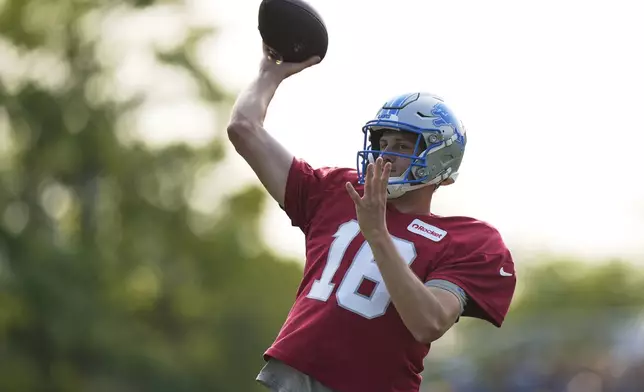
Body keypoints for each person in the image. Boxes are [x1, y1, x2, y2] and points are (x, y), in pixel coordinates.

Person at [226, 45, 517, 392]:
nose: (385, 155)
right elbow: (244, 129)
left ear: (440, 160)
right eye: (383, 142)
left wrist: (378, 234)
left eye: (403, 146)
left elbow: (429, 322)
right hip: (292, 378)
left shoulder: (468, 240)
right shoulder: (338, 191)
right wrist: (269, 73)